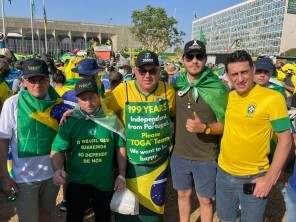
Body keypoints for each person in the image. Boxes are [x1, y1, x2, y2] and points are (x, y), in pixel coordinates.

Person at [216, 50, 292, 222]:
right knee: (226, 218)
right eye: (234, 74)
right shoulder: (231, 96)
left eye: (244, 72)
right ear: (227, 75)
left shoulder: (272, 98)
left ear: (253, 69)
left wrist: (270, 178)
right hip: (224, 174)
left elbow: (285, 140)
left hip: (254, 177)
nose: (240, 78)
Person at [104, 50, 176, 222]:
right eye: (142, 71)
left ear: (159, 71)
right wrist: (77, 111)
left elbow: (175, 119)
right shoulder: (123, 90)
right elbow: (101, 109)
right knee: (126, 209)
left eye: (152, 71)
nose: (147, 75)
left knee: (153, 210)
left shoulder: (169, 92)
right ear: (135, 71)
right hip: (130, 163)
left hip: (157, 164)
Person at [0, 58, 67, 222]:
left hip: (51, 175)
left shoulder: (58, 103)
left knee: (46, 214)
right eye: (32, 80)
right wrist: (4, 176)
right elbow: (3, 141)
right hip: (25, 178)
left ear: (48, 80)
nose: (37, 84)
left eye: (41, 79)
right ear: (24, 81)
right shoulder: (12, 104)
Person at [51, 78, 127, 222]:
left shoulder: (111, 119)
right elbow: (57, 149)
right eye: (83, 99)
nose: (88, 102)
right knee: (74, 218)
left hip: (104, 183)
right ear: (78, 100)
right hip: (77, 183)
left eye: (91, 97)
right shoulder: (70, 121)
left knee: (103, 218)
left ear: (98, 96)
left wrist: (121, 175)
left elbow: (121, 147)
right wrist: (57, 169)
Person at [171, 40, 228, 222]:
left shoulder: (217, 87)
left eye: (199, 56)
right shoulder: (177, 84)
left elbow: (226, 125)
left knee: (205, 200)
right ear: (183, 60)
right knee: (182, 195)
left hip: (205, 156)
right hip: (180, 155)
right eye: (190, 56)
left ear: (205, 59)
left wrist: (205, 128)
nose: (194, 60)